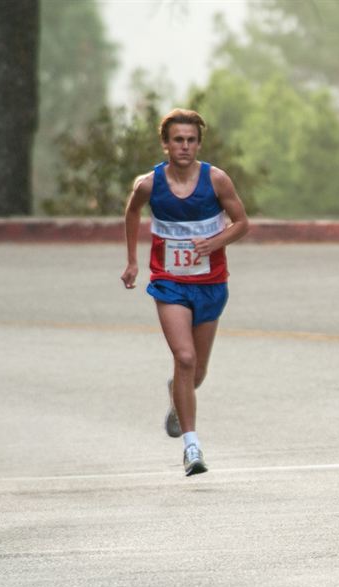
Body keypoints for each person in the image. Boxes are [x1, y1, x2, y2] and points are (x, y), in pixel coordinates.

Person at [120, 108, 249, 476]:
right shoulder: (149, 184)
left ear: (199, 144)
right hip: (170, 284)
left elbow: (242, 224)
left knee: (198, 372)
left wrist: (214, 242)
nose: (185, 147)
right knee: (185, 358)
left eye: (191, 140)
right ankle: (192, 448)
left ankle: (178, 398)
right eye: (178, 140)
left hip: (210, 285)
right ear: (165, 144)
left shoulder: (217, 180)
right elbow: (132, 214)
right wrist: (132, 262)